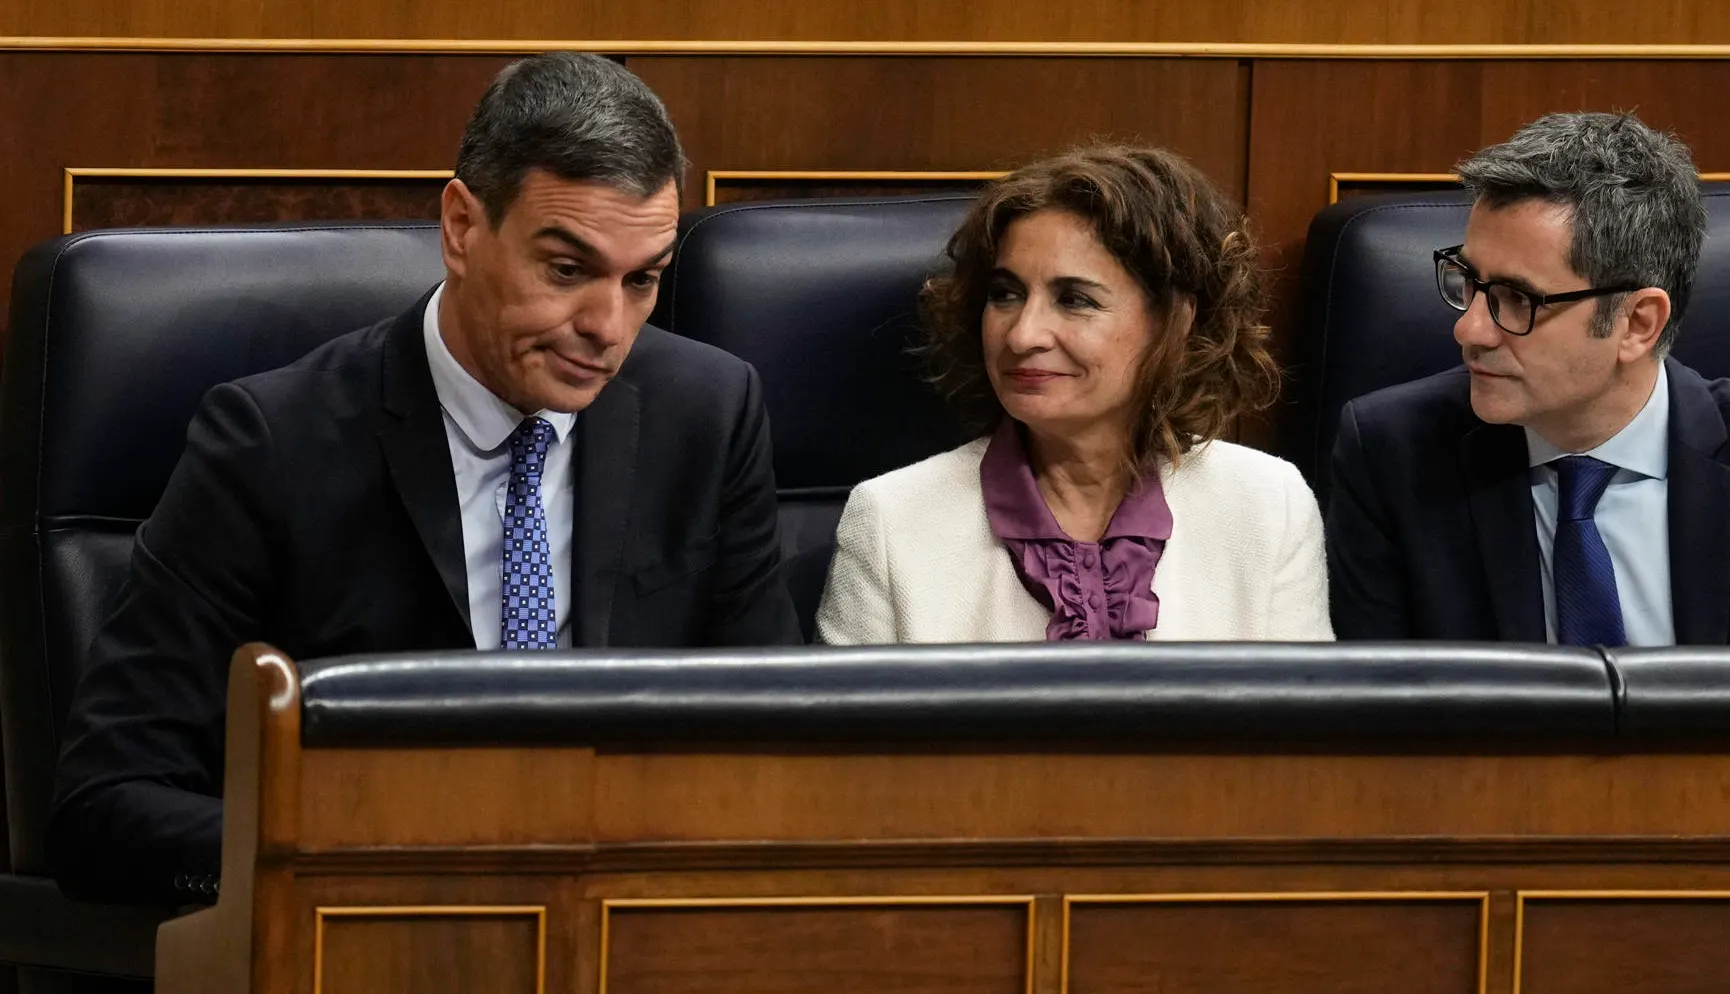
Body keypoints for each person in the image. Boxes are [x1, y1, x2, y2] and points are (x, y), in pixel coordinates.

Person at [51, 52, 803, 908]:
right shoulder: (272, 443)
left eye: (643, 281)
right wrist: (362, 863)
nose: (607, 326)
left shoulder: (707, 414)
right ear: (460, 227)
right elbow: (103, 808)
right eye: (566, 270)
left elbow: (772, 745)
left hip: (632, 937)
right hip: (367, 945)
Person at [1327, 112, 1730, 645]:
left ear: (1638, 323)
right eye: (1467, 281)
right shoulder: (1391, 456)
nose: (1469, 329)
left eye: (1517, 299)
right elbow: (1383, 721)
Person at [815, 144, 1332, 644]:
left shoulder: (1268, 506)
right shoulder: (891, 520)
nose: (1022, 335)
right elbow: (846, 735)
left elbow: (1304, 731)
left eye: (1075, 300)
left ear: (1175, 323)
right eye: (1005, 295)